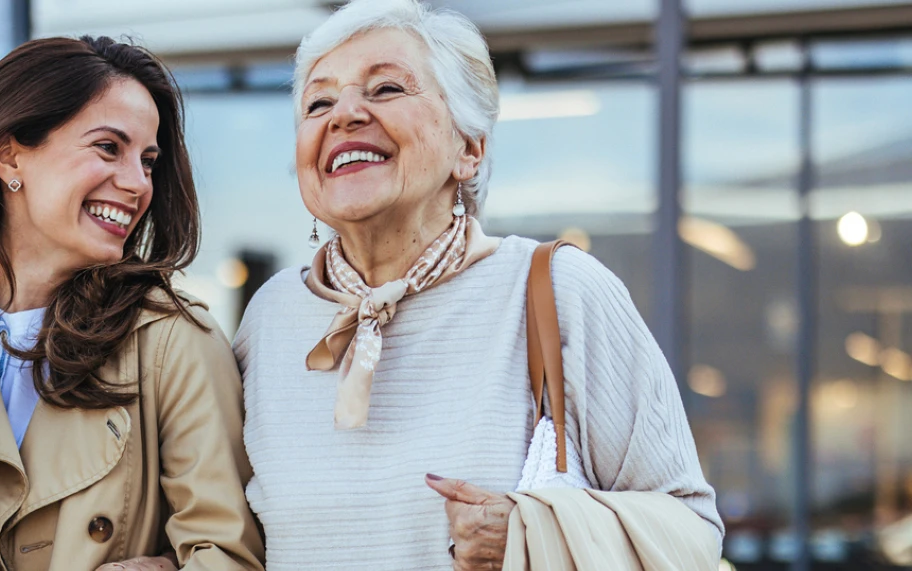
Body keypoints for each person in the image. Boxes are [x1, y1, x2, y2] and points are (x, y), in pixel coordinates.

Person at [230, 0, 721, 568]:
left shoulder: (559, 291)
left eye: (386, 89)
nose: (344, 114)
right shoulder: (270, 318)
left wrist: (532, 533)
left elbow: (693, 536)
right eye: (319, 102)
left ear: (470, 148)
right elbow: (230, 538)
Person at [0, 36, 263, 571]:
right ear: (9, 155)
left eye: (148, 160)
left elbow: (228, 555)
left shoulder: (173, 340)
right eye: (108, 148)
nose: (137, 183)